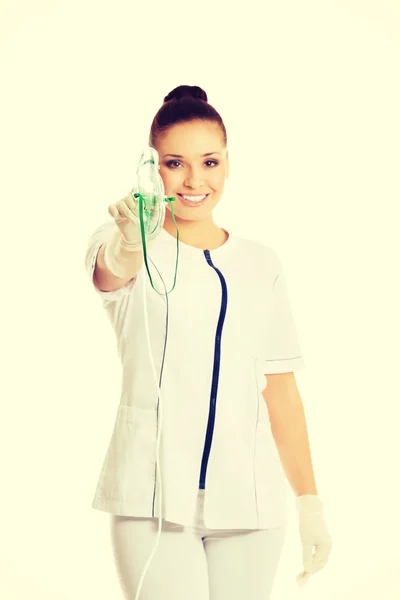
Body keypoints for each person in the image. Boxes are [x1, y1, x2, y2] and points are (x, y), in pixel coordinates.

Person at [84, 85, 332, 600]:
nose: (195, 180)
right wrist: (131, 241)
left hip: (251, 504)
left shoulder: (261, 264)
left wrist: (310, 502)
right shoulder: (126, 238)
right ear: (153, 167)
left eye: (210, 162)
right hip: (151, 500)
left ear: (227, 165)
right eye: (175, 163)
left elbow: (280, 389)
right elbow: (108, 273)